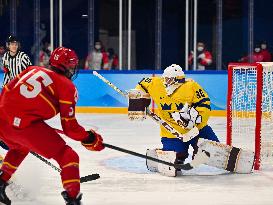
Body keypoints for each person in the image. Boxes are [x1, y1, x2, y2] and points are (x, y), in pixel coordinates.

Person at [0, 47, 105, 204]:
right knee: (68, 156)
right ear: (67, 67)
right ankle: (73, 199)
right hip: (25, 126)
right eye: (71, 66)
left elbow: (6, 91)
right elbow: (70, 128)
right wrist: (89, 137)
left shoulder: (32, 69)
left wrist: (14, 121)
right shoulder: (67, 86)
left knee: (20, 147)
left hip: (2, 122)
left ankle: (1, 183)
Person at [128, 64, 219, 172]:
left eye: (170, 80)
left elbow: (205, 104)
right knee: (176, 158)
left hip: (196, 128)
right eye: (165, 79)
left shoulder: (191, 86)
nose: (167, 82)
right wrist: (137, 98)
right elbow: (142, 84)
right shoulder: (156, 83)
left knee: (213, 151)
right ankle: (159, 156)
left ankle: (201, 151)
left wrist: (197, 119)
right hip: (170, 131)